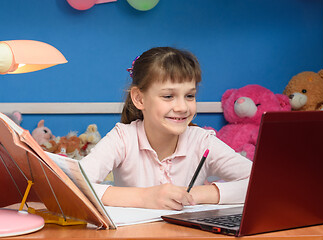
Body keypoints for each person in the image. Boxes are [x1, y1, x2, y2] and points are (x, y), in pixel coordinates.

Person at [80, 47, 252, 210]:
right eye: (168, 96)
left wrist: (194, 194)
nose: (182, 107)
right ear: (139, 99)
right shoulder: (123, 138)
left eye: (190, 96)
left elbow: (264, 184)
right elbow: (72, 185)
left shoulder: (202, 141)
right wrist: (145, 197)